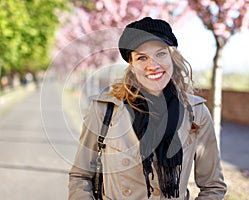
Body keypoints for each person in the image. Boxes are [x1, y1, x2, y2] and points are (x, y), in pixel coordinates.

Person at [68, 17, 227, 199]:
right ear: (132, 65)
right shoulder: (105, 110)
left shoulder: (196, 113)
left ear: (172, 57)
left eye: (160, 54)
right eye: (142, 57)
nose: (153, 66)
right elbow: (81, 176)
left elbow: (213, 186)